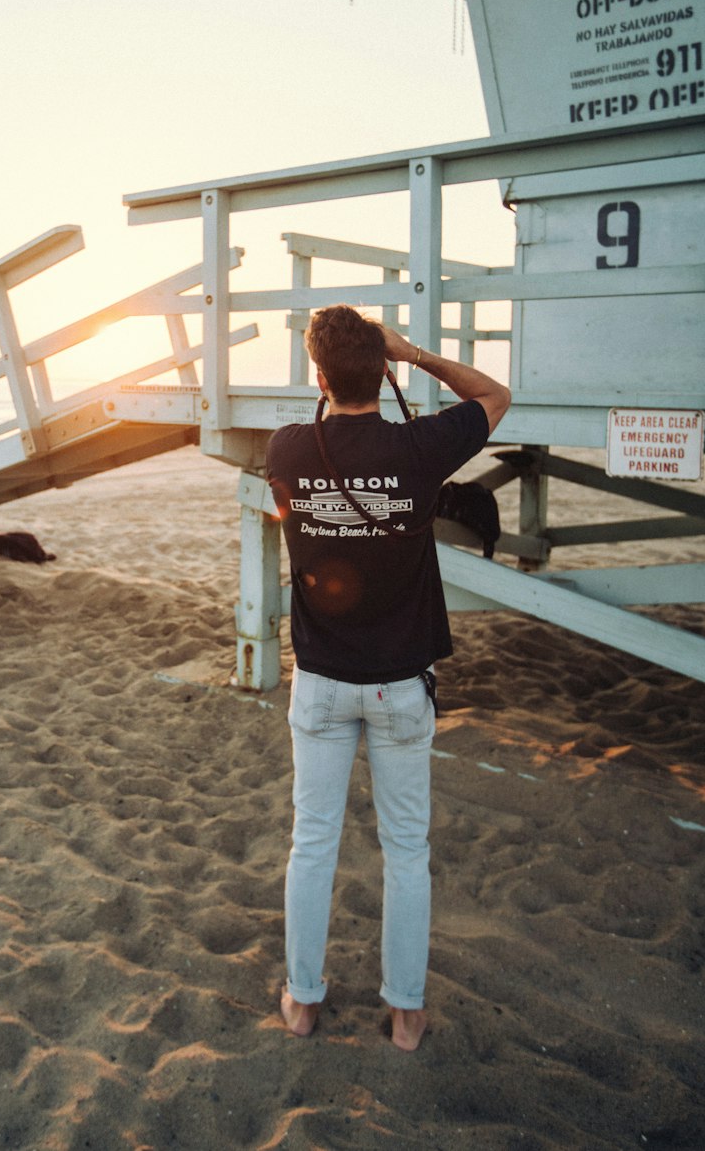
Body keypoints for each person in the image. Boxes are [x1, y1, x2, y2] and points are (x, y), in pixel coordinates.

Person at [266, 305, 510, 1051]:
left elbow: (308, 468)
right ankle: (406, 1014)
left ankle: (304, 1000)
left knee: (313, 842)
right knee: (406, 850)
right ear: (384, 369)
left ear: (317, 375)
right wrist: (418, 355)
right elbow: (495, 396)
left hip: (321, 681)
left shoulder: (285, 449)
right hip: (400, 685)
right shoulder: (420, 447)